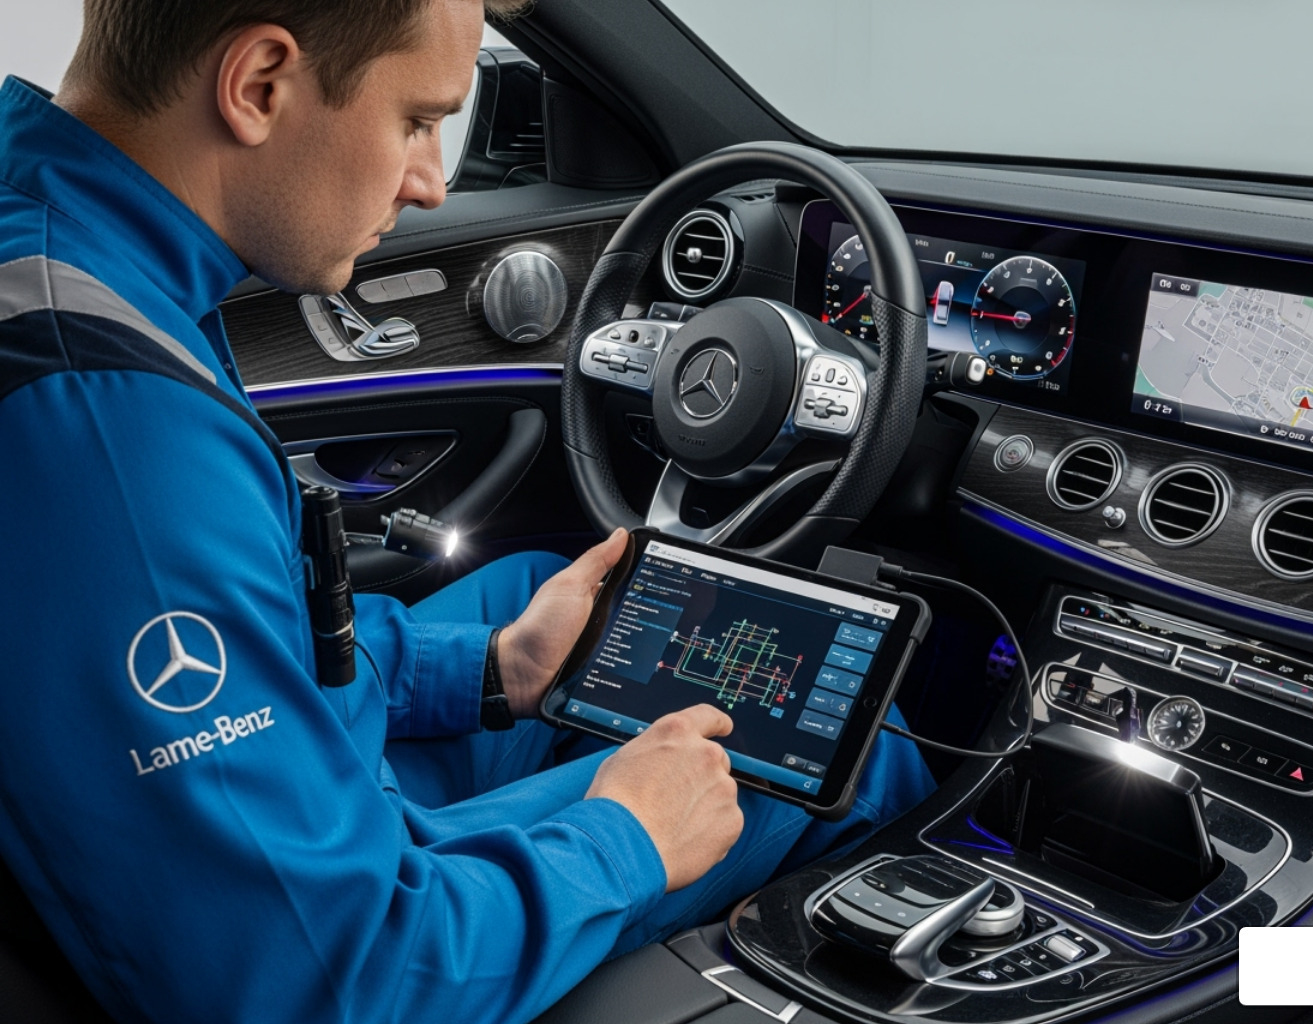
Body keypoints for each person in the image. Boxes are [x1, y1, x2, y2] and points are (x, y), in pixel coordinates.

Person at [0, 1, 934, 1021]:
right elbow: (325, 981)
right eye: (416, 119)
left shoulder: (60, 242)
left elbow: (253, 643)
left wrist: (495, 671)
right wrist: (628, 839)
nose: (433, 181)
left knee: (543, 602)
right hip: (323, 949)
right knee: (823, 749)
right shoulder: (113, 436)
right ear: (261, 83)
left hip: (238, 846)